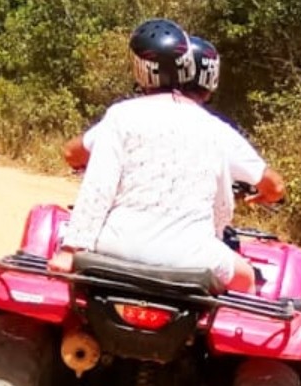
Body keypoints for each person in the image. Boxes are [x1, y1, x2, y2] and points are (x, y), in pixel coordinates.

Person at [51, 18, 256, 293]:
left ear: (141, 70)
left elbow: (99, 187)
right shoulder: (215, 129)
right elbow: (222, 205)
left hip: (116, 246)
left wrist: (70, 249)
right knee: (247, 278)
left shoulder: (121, 115)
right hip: (192, 258)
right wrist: (214, 236)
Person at [63, 32, 285, 208]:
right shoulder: (218, 133)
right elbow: (274, 186)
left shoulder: (126, 116)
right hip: (191, 254)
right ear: (210, 82)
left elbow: (72, 154)